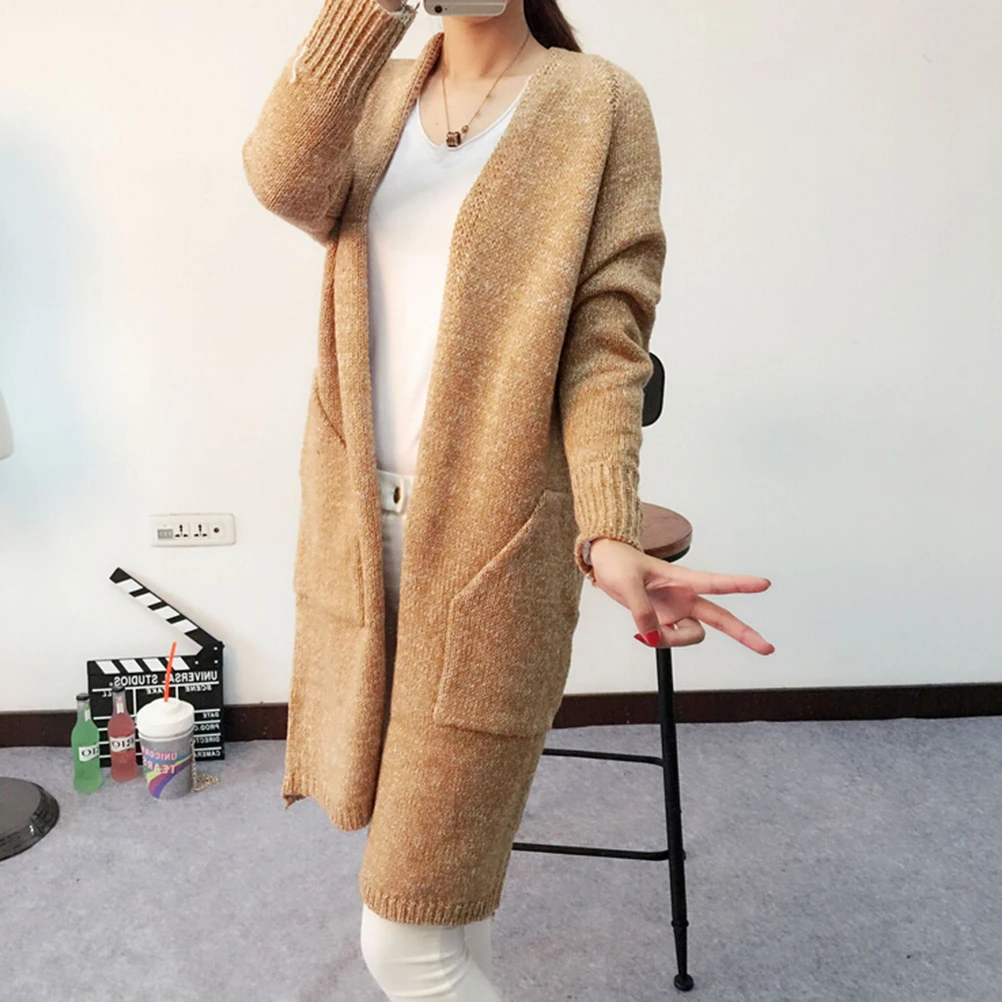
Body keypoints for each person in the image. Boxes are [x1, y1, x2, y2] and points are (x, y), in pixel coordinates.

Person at [243, 1, 774, 998]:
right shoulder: (376, 90)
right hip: (354, 543)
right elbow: (281, 177)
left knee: (406, 941)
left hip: (493, 563)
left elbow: (607, 342)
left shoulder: (599, 104)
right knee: (450, 911)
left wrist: (607, 530)